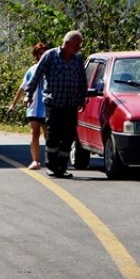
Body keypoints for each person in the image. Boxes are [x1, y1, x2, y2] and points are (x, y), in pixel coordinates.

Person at [23, 30, 87, 178]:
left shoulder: (77, 59)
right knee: (53, 135)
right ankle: (51, 166)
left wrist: (82, 98)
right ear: (67, 43)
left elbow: (82, 80)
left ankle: (62, 167)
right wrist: (28, 95)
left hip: (70, 104)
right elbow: (36, 76)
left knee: (68, 136)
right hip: (54, 103)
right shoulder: (50, 56)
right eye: (77, 45)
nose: (78, 48)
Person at [8, 42, 50, 169]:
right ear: (36, 56)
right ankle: (35, 161)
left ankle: (50, 161)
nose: (42, 56)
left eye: (44, 53)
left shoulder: (52, 69)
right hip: (34, 107)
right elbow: (22, 88)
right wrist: (13, 104)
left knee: (49, 135)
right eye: (40, 54)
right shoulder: (32, 70)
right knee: (34, 133)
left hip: (48, 107)